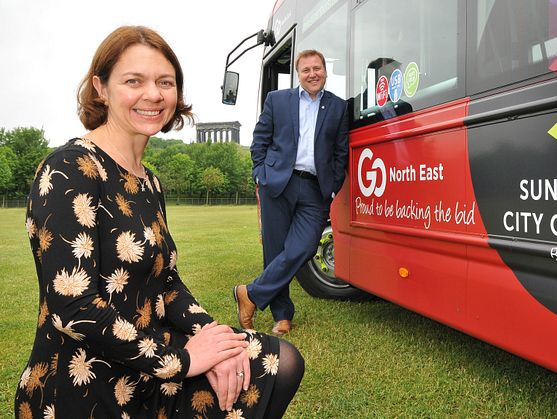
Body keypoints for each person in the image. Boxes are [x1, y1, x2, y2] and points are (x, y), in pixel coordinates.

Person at [16, 26, 303, 418]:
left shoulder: (149, 181)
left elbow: (164, 280)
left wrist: (213, 338)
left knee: (278, 360)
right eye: (134, 81)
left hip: (150, 360)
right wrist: (182, 360)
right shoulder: (70, 168)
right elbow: (72, 308)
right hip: (85, 381)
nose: (153, 94)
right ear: (101, 88)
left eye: (165, 82)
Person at [233, 50, 349, 335]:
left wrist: (332, 187)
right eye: (306, 69)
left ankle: (250, 293)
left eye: (317, 68)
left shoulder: (338, 107)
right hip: (278, 183)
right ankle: (282, 315)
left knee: (305, 247)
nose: (312, 74)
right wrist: (262, 175)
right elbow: (259, 141)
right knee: (275, 252)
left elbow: (340, 151)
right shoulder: (278, 100)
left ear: (325, 70)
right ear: (298, 74)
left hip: (315, 188)